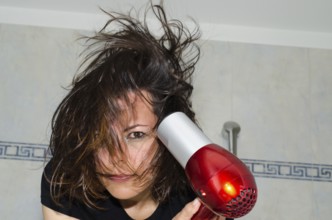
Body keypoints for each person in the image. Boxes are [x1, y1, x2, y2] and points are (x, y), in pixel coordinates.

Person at [41, 1, 226, 219]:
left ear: (171, 136)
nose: (115, 159)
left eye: (136, 134)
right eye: (100, 138)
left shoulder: (199, 189)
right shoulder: (66, 182)